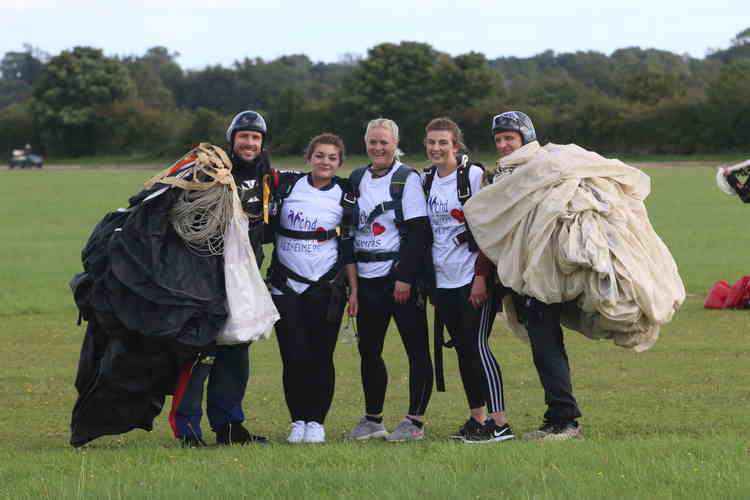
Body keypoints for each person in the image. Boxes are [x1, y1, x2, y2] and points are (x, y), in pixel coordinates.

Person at [170, 110, 275, 447]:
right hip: (206, 280)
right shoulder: (209, 173)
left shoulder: (268, 177)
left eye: (255, 137)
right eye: (244, 136)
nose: (249, 142)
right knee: (202, 353)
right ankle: (188, 430)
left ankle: (230, 426)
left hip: (244, 282)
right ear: (232, 140)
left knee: (236, 352)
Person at [487, 111, 583, 440]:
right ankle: (560, 416)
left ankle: (564, 420)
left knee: (547, 346)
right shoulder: (504, 175)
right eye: (499, 139)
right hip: (521, 276)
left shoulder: (539, 168)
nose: (503, 144)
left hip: (542, 275)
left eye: (509, 138)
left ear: (525, 138)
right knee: (544, 346)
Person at [422, 117, 514, 443]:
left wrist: (481, 277)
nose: (436, 148)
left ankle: (500, 422)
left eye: (442, 143)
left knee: (477, 345)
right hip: (443, 280)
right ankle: (478, 418)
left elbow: (490, 228)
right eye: (431, 142)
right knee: (463, 348)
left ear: (455, 145)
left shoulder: (473, 176)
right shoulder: (426, 180)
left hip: (473, 277)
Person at [344, 118, 434, 442]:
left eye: (384, 142)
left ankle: (415, 421)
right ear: (365, 143)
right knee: (369, 350)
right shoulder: (357, 178)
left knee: (416, 350)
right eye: (373, 142)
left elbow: (418, 233)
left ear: (395, 144)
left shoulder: (406, 179)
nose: (378, 148)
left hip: (399, 280)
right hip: (367, 281)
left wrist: (405, 278)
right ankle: (373, 419)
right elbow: (350, 232)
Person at [267, 133, 358, 444]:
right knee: (293, 356)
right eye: (320, 155)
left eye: (332, 157)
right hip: (285, 286)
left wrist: (353, 290)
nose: (325, 162)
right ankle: (298, 421)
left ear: (340, 163)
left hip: (325, 287)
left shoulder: (346, 194)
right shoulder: (288, 187)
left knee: (321, 356)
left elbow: (348, 246)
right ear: (309, 158)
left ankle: (317, 422)